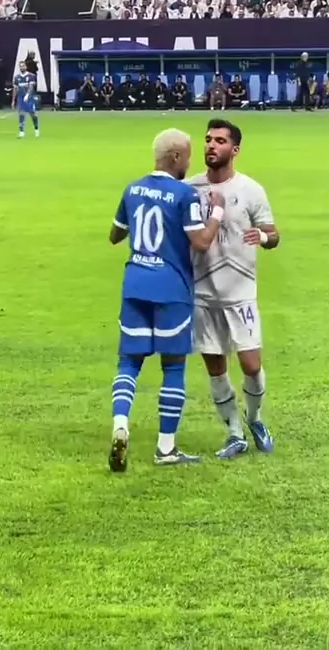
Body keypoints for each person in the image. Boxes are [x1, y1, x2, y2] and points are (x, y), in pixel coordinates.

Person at [108, 128, 225, 471]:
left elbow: (115, 235)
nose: (190, 161)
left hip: (135, 284)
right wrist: (216, 213)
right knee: (173, 365)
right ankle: (166, 448)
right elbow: (201, 242)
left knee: (129, 362)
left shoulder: (132, 189)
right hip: (171, 288)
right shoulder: (184, 194)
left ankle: (120, 424)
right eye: (188, 155)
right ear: (175, 157)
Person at [188, 119, 280, 459]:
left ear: (235, 150)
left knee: (251, 365)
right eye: (208, 139)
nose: (211, 145)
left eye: (220, 141)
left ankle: (254, 419)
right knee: (216, 368)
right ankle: (234, 433)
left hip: (241, 294)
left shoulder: (251, 189)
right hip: (203, 294)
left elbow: (274, 234)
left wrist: (264, 236)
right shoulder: (189, 188)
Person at [12, 61, 39, 139]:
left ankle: (36, 129)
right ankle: (21, 132)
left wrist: (27, 95)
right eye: (20, 66)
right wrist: (13, 100)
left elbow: (31, 87)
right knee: (21, 114)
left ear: (26, 67)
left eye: (23, 66)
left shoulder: (31, 76)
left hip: (29, 99)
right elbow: (15, 89)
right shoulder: (17, 77)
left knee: (33, 114)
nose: (22, 67)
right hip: (20, 98)